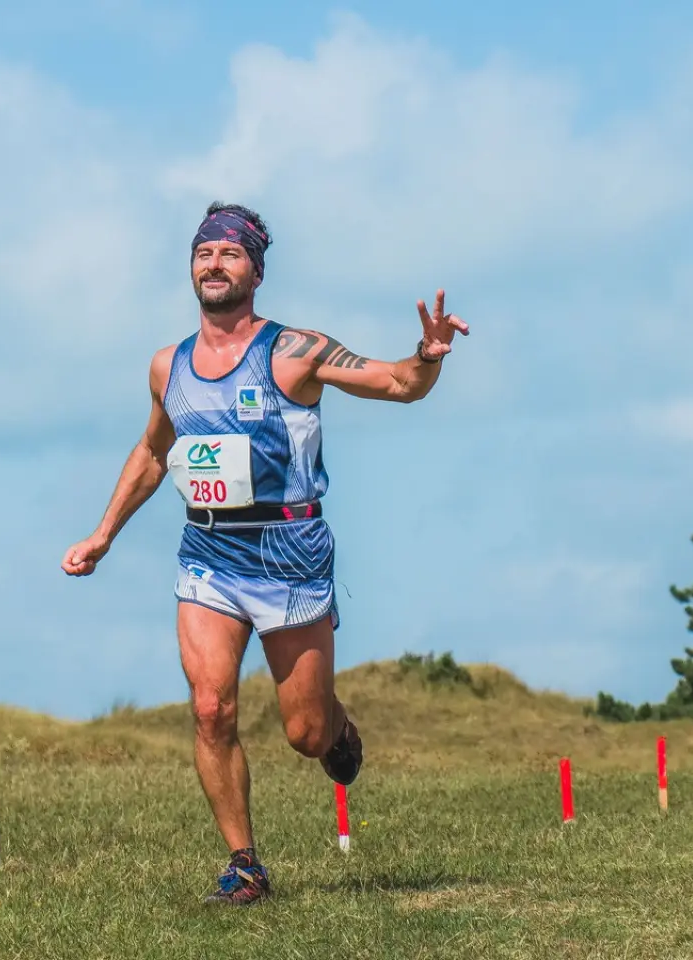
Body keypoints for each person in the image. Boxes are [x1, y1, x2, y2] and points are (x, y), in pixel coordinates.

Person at [60, 201, 470, 905]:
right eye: (202, 254)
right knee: (211, 707)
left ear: (255, 269)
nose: (213, 264)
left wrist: (425, 359)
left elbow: (398, 385)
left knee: (306, 735)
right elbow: (155, 453)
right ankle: (245, 866)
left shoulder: (296, 351)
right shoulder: (169, 366)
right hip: (210, 554)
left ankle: (337, 726)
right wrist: (103, 534)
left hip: (291, 554)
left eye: (228, 254)